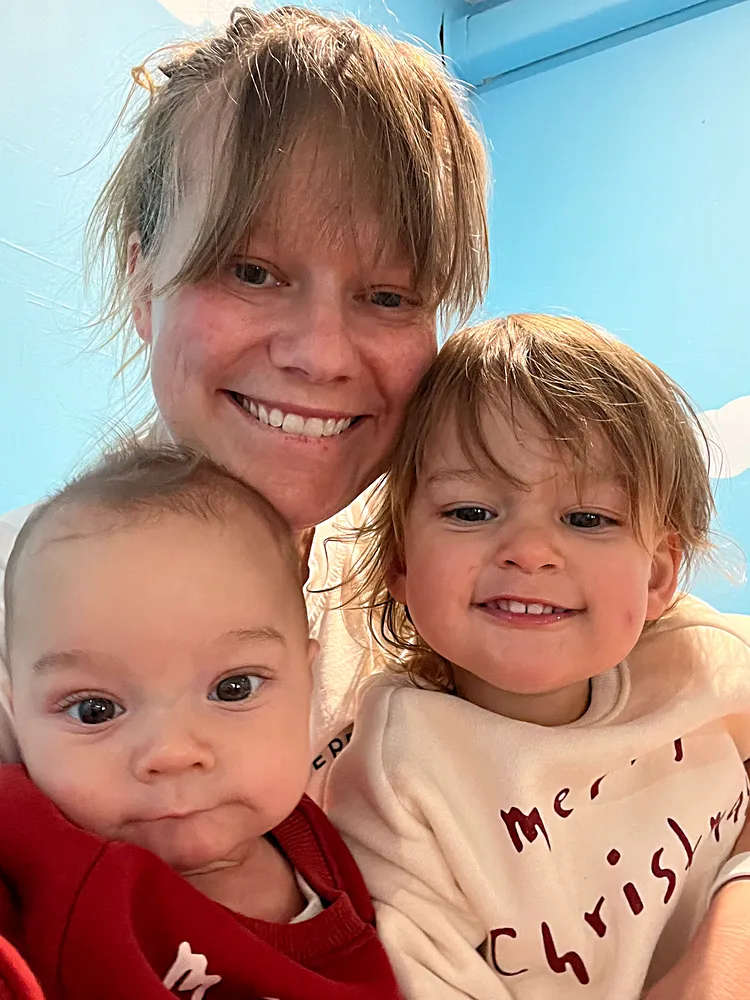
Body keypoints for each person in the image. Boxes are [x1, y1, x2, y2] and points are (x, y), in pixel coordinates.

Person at [0, 7, 747, 996]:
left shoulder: (446, 561)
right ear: (143, 274)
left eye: (389, 295)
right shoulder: (36, 618)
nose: (319, 352)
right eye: (252, 269)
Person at [326, 314, 750, 1000]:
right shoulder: (396, 775)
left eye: (587, 519)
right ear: (401, 559)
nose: (529, 550)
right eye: (470, 512)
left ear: (657, 577)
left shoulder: (699, 658)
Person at [0, 443, 403, 999]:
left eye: (233, 689)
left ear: (307, 683)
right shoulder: (33, 848)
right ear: (15, 713)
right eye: (95, 710)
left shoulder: (337, 846)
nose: (173, 752)